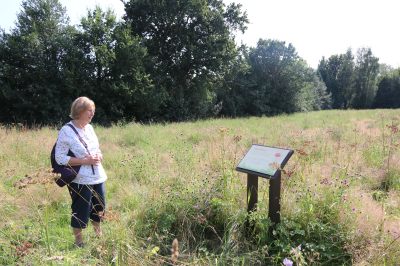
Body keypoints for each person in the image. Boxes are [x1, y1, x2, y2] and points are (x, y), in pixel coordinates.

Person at [55, 96, 107, 247]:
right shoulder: (66, 130)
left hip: (98, 176)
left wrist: (99, 155)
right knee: (80, 210)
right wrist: (85, 161)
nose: (92, 114)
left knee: (100, 207)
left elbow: (96, 149)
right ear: (79, 111)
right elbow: (59, 158)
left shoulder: (90, 128)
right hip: (80, 179)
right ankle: (79, 241)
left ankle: (99, 235)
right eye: (89, 111)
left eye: (93, 111)